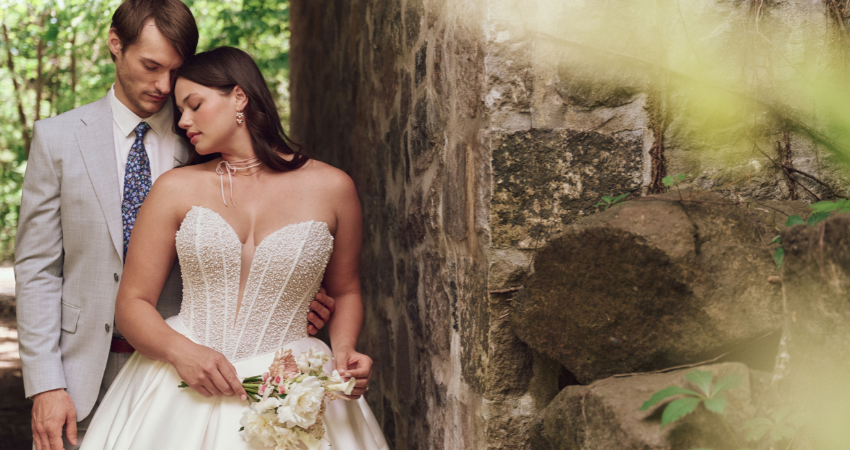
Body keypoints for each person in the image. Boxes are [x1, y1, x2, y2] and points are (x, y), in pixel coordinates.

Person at [14, 2, 335, 450]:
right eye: (150, 66)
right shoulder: (59, 139)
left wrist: (302, 299)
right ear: (115, 44)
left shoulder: (207, 137)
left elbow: (262, 234)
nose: (163, 85)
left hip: (193, 379)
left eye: (175, 71)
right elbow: (38, 271)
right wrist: (47, 384)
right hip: (78, 372)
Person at [75, 46, 388, 450]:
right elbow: (132, 302)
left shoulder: (332, 187)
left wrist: (345, 352)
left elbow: (345, 290)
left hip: (292, 381)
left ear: (239, 97)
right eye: (179, 110)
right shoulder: (174, 188)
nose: (183, 120)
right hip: (178, 382)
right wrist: (182, 353)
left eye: (194, 105)